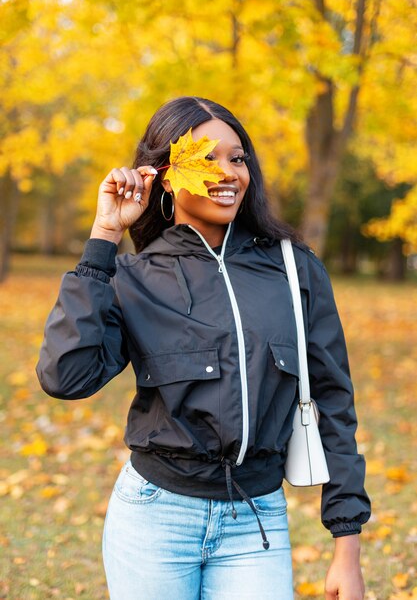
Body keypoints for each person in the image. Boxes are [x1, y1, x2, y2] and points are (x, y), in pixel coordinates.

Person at [36, 96, 371, 600]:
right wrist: (104, 237)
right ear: (165, 176)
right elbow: (67, 377)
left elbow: (333, 403)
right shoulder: (133, 276)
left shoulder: (295, 269)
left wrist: (347, 544)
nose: (228, 172)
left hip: (255, 521)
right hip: (155, 517)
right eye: (204, 157)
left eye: (237, 158)